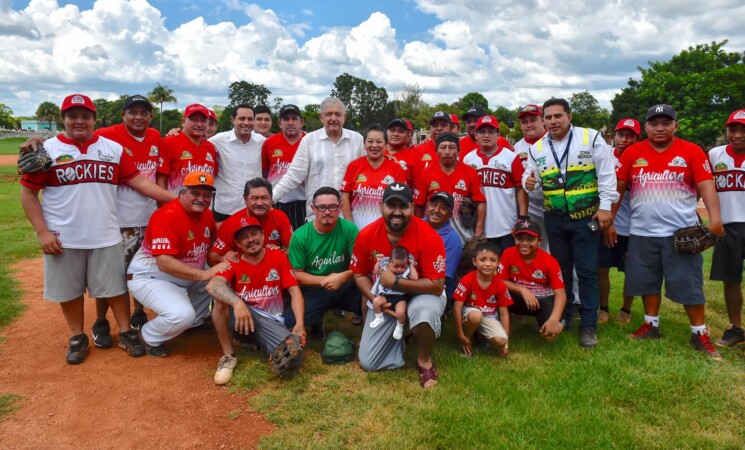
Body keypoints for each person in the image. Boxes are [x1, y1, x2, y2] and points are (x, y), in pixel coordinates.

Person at [19, 93, 175, 364]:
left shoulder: (111, 149)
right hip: (63, 235)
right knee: (69, 290)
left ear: (94, 119)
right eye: (72, 116)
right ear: (63, 119)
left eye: (85, 116)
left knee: (115, 287)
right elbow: (28, 194)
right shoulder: (48, 150)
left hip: (105, 231)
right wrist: (42, 232)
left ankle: (125, 332)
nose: (79, 121)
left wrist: (180, 202)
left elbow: (139, 181)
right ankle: (77, 336)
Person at [614, 104, 723, 359]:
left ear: (676, 125)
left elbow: (706, 186)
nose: (660, 128)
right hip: (641, 231)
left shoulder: (691, 151)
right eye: (654, 123)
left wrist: (716, 219)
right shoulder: (632, 153)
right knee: (647, 281)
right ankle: (651, 325)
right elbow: (618, 188)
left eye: (666, 122)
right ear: (646, 127)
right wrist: (609, 219)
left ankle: (699, 333)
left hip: (680, 232)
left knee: (689, 283)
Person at [523, 98, 618, 348]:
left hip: (586, 216)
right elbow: (531, 177)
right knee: (562, 271)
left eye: (558, 116)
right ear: (543, 120)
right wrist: (528, 183)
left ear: (569, 116)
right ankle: (564, 316)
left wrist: (606, 207)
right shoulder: (537, 148)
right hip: (554, 218)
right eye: (549, 117)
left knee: (587, 272)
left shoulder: (591, 138)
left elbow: (607, 175)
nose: (553, 121)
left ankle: (588, 325)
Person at [353, 182, 447, 388]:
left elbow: (437, 285)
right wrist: (376, 299)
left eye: (403, 206)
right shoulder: (367, 234)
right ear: (381, 206)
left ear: (413, 208)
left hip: (421, 294)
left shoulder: (429, 236)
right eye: (391, 205)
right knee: (369, 362)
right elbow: (359, 274)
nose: (397, 212)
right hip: (386, 297)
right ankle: (401, 337)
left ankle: (424, 360)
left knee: (425, 312)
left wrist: (396, 282)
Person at [127, 172, 230, 357]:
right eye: (195, 193)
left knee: (224, 276)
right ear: (182, 193)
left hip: (183, 274)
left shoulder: (205, 214)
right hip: (151, 277)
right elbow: (165, 263)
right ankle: (148, 335)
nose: (201, 199)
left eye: (206, 195)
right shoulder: (166, 215)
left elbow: (215, 235)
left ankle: (191, 324)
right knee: (182, 315)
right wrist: (205, 275)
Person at [207, 217, 305, 385]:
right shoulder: (234, 261)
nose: (251, 239)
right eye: (244, 237)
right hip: (243, 317)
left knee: (293, 358)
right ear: (237, 244)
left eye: (254, 234)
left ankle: (254, 343)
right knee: (219, 300)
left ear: (263, 236)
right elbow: (212, 285)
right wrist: (237, 303)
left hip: (272, 320)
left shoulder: (278, 256)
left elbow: (294, 291)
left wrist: (300, 324)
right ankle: (228, 356)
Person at [284, 187, 361, 340]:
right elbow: (297, 274)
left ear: (340, 208)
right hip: (313, 288)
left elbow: (361, 265)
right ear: (313, 208)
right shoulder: (300, 236)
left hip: (345, 285)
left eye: (332, 207)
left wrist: (342, 277)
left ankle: (371, 332)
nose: (327, 212)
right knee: (290, 321)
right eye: (322, 207)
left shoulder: (350, 229)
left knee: (369, 294)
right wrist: (325, 281)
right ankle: (316, 322)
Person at [271, 97, 364, 219]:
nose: (333, 118)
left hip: (349, 216)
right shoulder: (309, 140)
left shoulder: (357, 139)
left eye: (338, 114)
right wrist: (270, 198)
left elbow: (367, 172)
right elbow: (293, 175)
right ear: (321, 117)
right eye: (329, 114)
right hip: (317, 216)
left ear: (344, 117)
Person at [462, 115, 527, 253]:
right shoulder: (468, 159)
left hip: (506, 225)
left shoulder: (510, 157)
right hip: (478, 227)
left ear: (498, 135)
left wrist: (522, 216)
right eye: (482, 131)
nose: (486, 135)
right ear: (476, 135)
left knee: (506, 265)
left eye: (491, 131)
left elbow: (520, 188)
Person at [598, 118, 640, 324]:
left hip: (635, 227)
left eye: (630, 136)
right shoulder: (606, 158)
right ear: (614, 136)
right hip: (608, 223)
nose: (624, 140)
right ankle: (603, 308)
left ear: (637, 138)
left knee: (631, 271)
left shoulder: (642, 160)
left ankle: (626, 309)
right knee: (601, 268)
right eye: (621, 135)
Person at [709, 109, 745, 347]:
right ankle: (736, 328)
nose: (738, 134)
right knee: (731, 279)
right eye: (733, 129)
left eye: (743, 130)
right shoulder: (714, 154)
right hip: (728, 225)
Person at [497, 219, 566, 339]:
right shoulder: (508, 253)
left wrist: (553, 320)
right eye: (519, 239)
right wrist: (523, 290)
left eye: (530, 239)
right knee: (496, 293)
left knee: (549, 335)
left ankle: (561, 322)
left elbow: (560, 294)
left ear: (540, 241)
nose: (524, 243)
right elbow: (500, 281)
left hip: (542, 300)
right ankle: (501, 323)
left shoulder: (550, 262)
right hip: (517, 296)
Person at [414, 132, 486, 244]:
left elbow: (480, 202)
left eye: (452, 147)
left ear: (458, 151)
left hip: (464, 236)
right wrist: (419, 230)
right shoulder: (426, 173)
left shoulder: (470, 172)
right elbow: (418, 205)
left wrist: (478, 231)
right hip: (433, 235)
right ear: (436, 151)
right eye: (443, 147)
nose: (447, 152)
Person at [208, 177, 293, 265]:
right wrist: (226, 258)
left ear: (271, 199)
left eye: (264, 198)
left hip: (273, 270)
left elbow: (292, 249)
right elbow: (211, 258)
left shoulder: (279, 216)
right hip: (243, 274)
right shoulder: (232, 223)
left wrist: (279, 253)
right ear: (245, 199)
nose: (260, 203)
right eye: (254, 198)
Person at [341, 124, 407, 230]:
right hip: (357, 229)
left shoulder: (396, 168)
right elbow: (345, 197)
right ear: (364, 144)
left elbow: (402, 200)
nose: (374, 145)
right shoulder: (354, 166)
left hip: (386, 230)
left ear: (386, 145)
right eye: (370, 141)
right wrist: (350, 226)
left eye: (379, 141)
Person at [453, 242, 512, 357]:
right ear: (474, 261)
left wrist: (506, 344)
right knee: (476, 315)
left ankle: (481, 336)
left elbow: (504, 314)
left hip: (488, 316)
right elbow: (457, 307)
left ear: (499, 263)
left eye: (493, 260)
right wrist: (460, 334)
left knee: (501, 340)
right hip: (471, 313)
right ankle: (465, 342)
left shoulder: (500, 285)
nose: (488, 264)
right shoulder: (467, 280)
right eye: (483, 259)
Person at [209, 104, 265, 222]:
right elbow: (196, 143)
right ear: (233, 120)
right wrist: (175, 132)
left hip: (254, 208)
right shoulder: (217, 141)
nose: (246, 122)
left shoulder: (262, 142)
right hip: (225, 209)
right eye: (241, 118)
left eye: (250, 119)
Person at [262, 104, 307, 230]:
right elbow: (265, 171)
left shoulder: (309, 142)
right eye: (286, 119)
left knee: (301, 241)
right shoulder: (269, 143)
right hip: (277, 201)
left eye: (294, 118)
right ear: (280, 123)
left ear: (301, 122)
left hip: (303, 202)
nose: (290, 123)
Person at [157, 103, 217, 194]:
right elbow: (160, 182)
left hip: (203, 205)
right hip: (174, 204)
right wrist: (167, 206)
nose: (199, 124)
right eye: (194, 120)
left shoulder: (211, 147)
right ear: (183, 121)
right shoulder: (169, 142)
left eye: (203, 120)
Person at [513, 104, 549, 250]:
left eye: (533, 120)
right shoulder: (517, 148)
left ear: (542, 120)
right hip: (532, 209)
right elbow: (517, 183)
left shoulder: (553, 140)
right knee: (536, 250)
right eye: (524, 122)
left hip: (556, 208)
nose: (529, 125)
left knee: (560, 253)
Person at [369, 245, 419, 340]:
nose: (399, 269)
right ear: (389, 263)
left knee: (400, 313)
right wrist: (378, 262)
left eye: (402, 266)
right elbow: (376, 271)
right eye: (396, 266)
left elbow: (415, 278)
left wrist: (411, 266)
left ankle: (399, 327)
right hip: (386, 294)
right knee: (375, 301)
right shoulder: (385, 266)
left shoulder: (407, 270)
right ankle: (379, 317)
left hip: (401, 297)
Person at [424, 191, 462, 303]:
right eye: (433, 205)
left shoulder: (453, 240)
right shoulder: (416, 225)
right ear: (427, 207)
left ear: (450, 215)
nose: (436, 210)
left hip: (437, 289)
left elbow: (443, 279)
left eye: (443, 208)